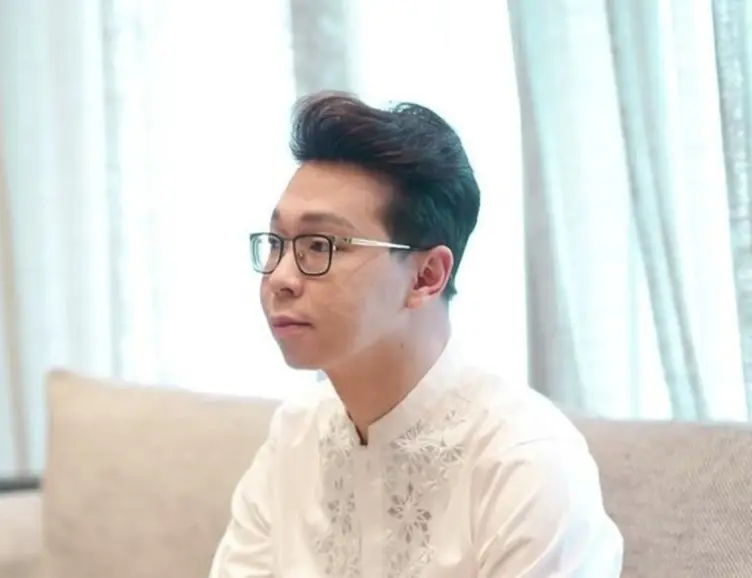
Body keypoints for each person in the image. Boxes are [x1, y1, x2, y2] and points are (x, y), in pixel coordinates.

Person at [209, 92, 623, 577]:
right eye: (278, 242)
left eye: (320, 245)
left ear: (426, 276)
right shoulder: (295, 436)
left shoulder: (526, 462)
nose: (280, 277)